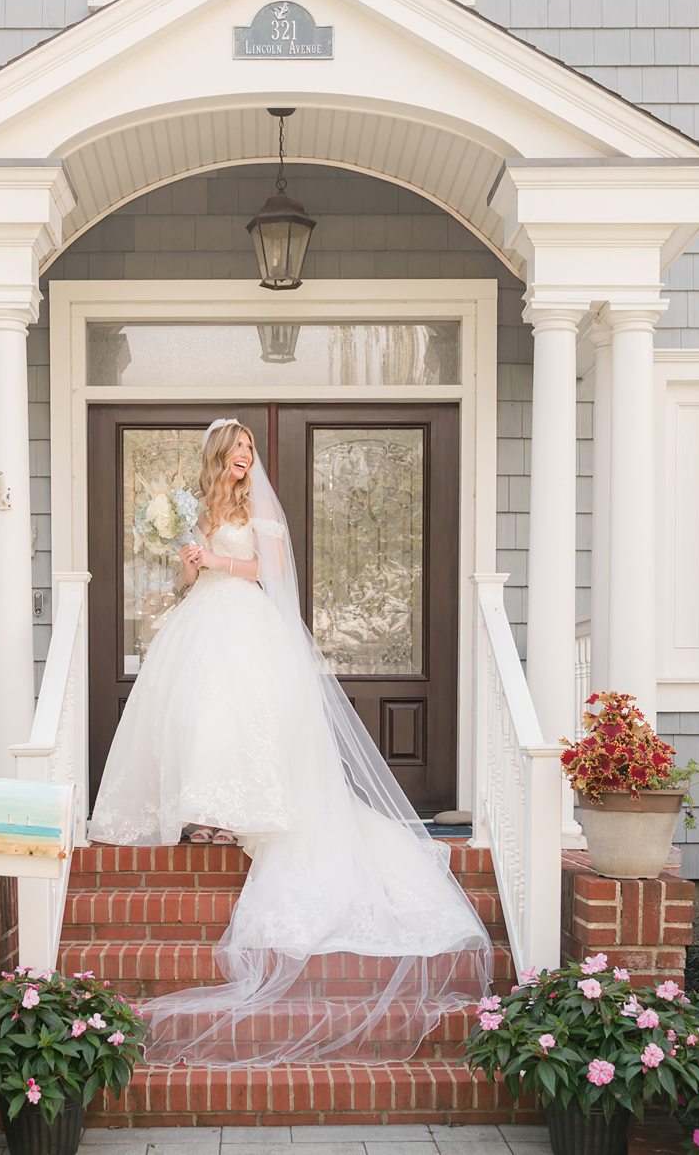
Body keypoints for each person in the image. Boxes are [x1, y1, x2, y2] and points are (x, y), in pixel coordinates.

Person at [87, 418, 489, 1065]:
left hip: (248, 623)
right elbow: (193, 580)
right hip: (202, 620)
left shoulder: (258, 507)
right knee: (197, 712)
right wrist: (190, 559)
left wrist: (216, 558)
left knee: (240, 712)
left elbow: (268, 568)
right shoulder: (201, 505)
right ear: (220, 455)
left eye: (250, 449)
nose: (246, 457)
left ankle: (241, 811)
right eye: (238, 448)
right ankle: (205, 813)